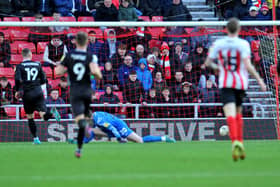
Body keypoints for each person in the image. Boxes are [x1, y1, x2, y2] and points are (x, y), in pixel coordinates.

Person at [204, 18, 266, 161]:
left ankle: (235, 142)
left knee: (230, 115)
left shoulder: (219, 44)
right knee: (238, 114)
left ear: (226, 29)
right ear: (238, 29)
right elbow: (248, 65)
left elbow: (208, 63)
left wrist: (218, 68)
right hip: (240, 83)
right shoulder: (244, 44)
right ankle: (240, 142)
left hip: (226, 83)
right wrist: (259, 80)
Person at [55, 32, 102, 158]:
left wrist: (65, 67)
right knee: (84, 115)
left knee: (79, 119)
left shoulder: (69, 55)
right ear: (87, 42)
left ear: (75, 41)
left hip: (75, 91)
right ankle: (79, 148)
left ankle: (83, 133)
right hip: (87, 90)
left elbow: (58, 72)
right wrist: (96, 75)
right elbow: (96, 73)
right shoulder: (90, 56)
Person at [14, 48, 59, 145]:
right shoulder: (38, 64)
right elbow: (43, 79)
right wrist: (37, 84)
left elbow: (17, 79)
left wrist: (18, 91)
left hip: (27, 94)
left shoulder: (20, 66)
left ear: (23, 55)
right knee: (44, 116)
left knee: (30, 117)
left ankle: (36, 139)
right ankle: (52, 112)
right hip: (38, 92)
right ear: (30, 55)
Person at [78, 111, 176, 144]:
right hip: (112, 128)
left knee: (140, 140)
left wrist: (119, 137)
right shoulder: (95, 116)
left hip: (120, 127)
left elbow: (112, 128)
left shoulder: (99, 120)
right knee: (92, 131)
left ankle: (164, 138)